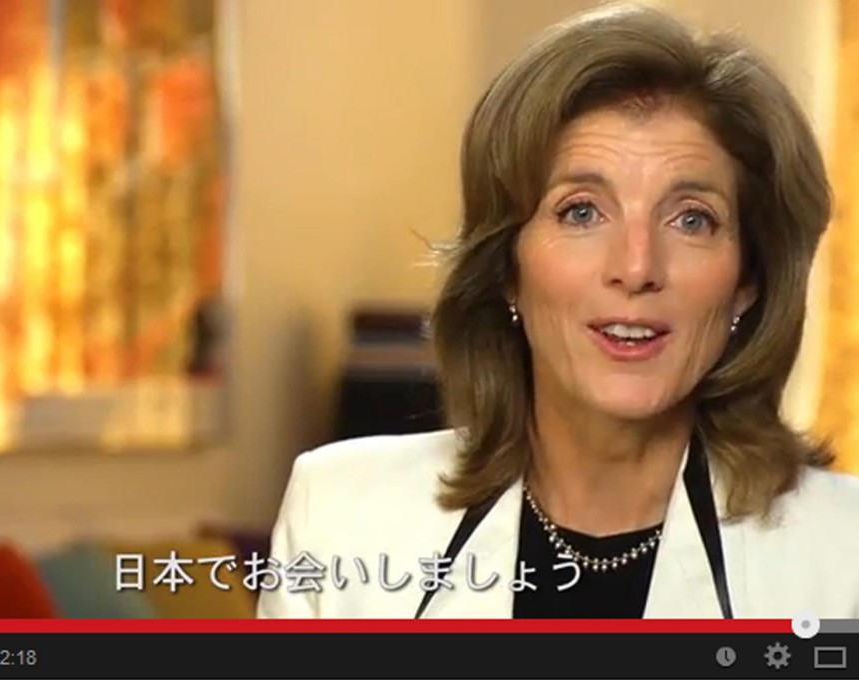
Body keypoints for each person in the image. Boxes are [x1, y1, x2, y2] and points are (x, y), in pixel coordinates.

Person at [257, 3, 859, 618]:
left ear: (747, 282)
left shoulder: (844, 555)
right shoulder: (339, 516)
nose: (636, 266)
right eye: (580, 211)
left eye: (691, 219)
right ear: (507, 267)